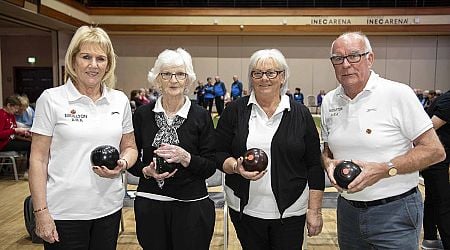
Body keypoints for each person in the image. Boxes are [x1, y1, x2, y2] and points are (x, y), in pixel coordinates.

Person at [321, 31, 445, 249]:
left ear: (370, 58)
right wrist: (328, 163)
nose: (346, 64)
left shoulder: (398, 94)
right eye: (338, 58)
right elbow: (327, 149)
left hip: (395, 212)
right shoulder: (330, 101)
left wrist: (385, 169)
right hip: (348, 211)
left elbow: (435, 151)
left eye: (354, 56)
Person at [28, 26, 138, 249]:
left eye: (100, 58)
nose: (93, 65)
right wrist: (41, 213)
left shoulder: (119, 100)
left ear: (108, 64)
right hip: (64, 212)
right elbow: (38, 160)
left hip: (108, 208)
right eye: (86, 57)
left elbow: (130, 146)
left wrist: (122, 163)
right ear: (73, 60)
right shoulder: (51, 99)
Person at [215, 48, 324, 249]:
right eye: (257, 73)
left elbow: (314, 165)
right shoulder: (234, 111)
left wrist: (315, 210)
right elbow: (218, 152)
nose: (264, 78)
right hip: (244, 209)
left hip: (291, 210)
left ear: (282, 77)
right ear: (251, 77)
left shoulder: (300, 114)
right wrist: (234, 166)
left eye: (271, 72)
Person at [129, 48, 216, 250]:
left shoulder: (201, 115)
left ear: (188, 79)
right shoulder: (142, 114)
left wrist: (187, 158)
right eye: (166, 74)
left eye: (180, 74)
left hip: (192, 204)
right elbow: (131, 158)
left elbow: (211, 165)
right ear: (157, 79)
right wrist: (146, 171)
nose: (173, 80)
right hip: (151, 202)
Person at [421, 89, 450, 250]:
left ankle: (430, 239)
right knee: (443, 202)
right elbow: (428, 129)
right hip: (435, 158)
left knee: (434, 199)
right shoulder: (449, 101)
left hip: (437, 157)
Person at [0, 95, 32, 171]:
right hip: (3, 143)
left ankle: (29, 169)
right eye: (15, 108)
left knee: (32, 142)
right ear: (8, 105)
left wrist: (24, 133)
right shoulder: (1, 115)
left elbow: (14, 131)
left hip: (10, 140)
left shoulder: (11, 116)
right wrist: (15, 130)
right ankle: (28, 170)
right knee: (30, 145)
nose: (16, 111)